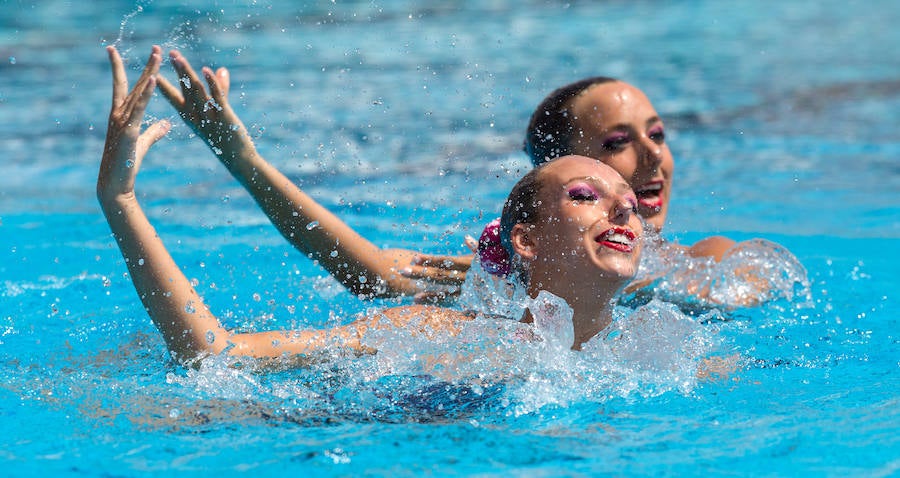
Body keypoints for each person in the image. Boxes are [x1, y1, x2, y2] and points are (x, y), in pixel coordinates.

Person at [99, 46, 643, 364]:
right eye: (586, 194)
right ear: (523, 240)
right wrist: (121, 199)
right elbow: (219, 357)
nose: (625, 209)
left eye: (629, 204)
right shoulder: (451, 336)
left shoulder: (660, 346)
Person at [155, 49, 786, 306]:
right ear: (561, 173)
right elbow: (367, 269)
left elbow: (753, 288)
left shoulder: (707, 258)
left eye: (657, 135)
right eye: (617, 144)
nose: (652, 160)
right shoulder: (511, 270)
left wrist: (623, 280)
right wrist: (247, 163)